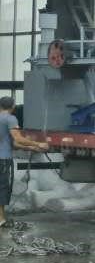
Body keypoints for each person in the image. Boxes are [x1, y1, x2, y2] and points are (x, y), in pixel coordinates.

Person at [0, 96, 50, 229]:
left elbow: (12, 143)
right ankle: (1, 219)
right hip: (3, 160)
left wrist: (32, 148)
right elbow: (18, 139)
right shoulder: (10, 119)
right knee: (2, 188)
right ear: (13, 107)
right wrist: (38, 143)